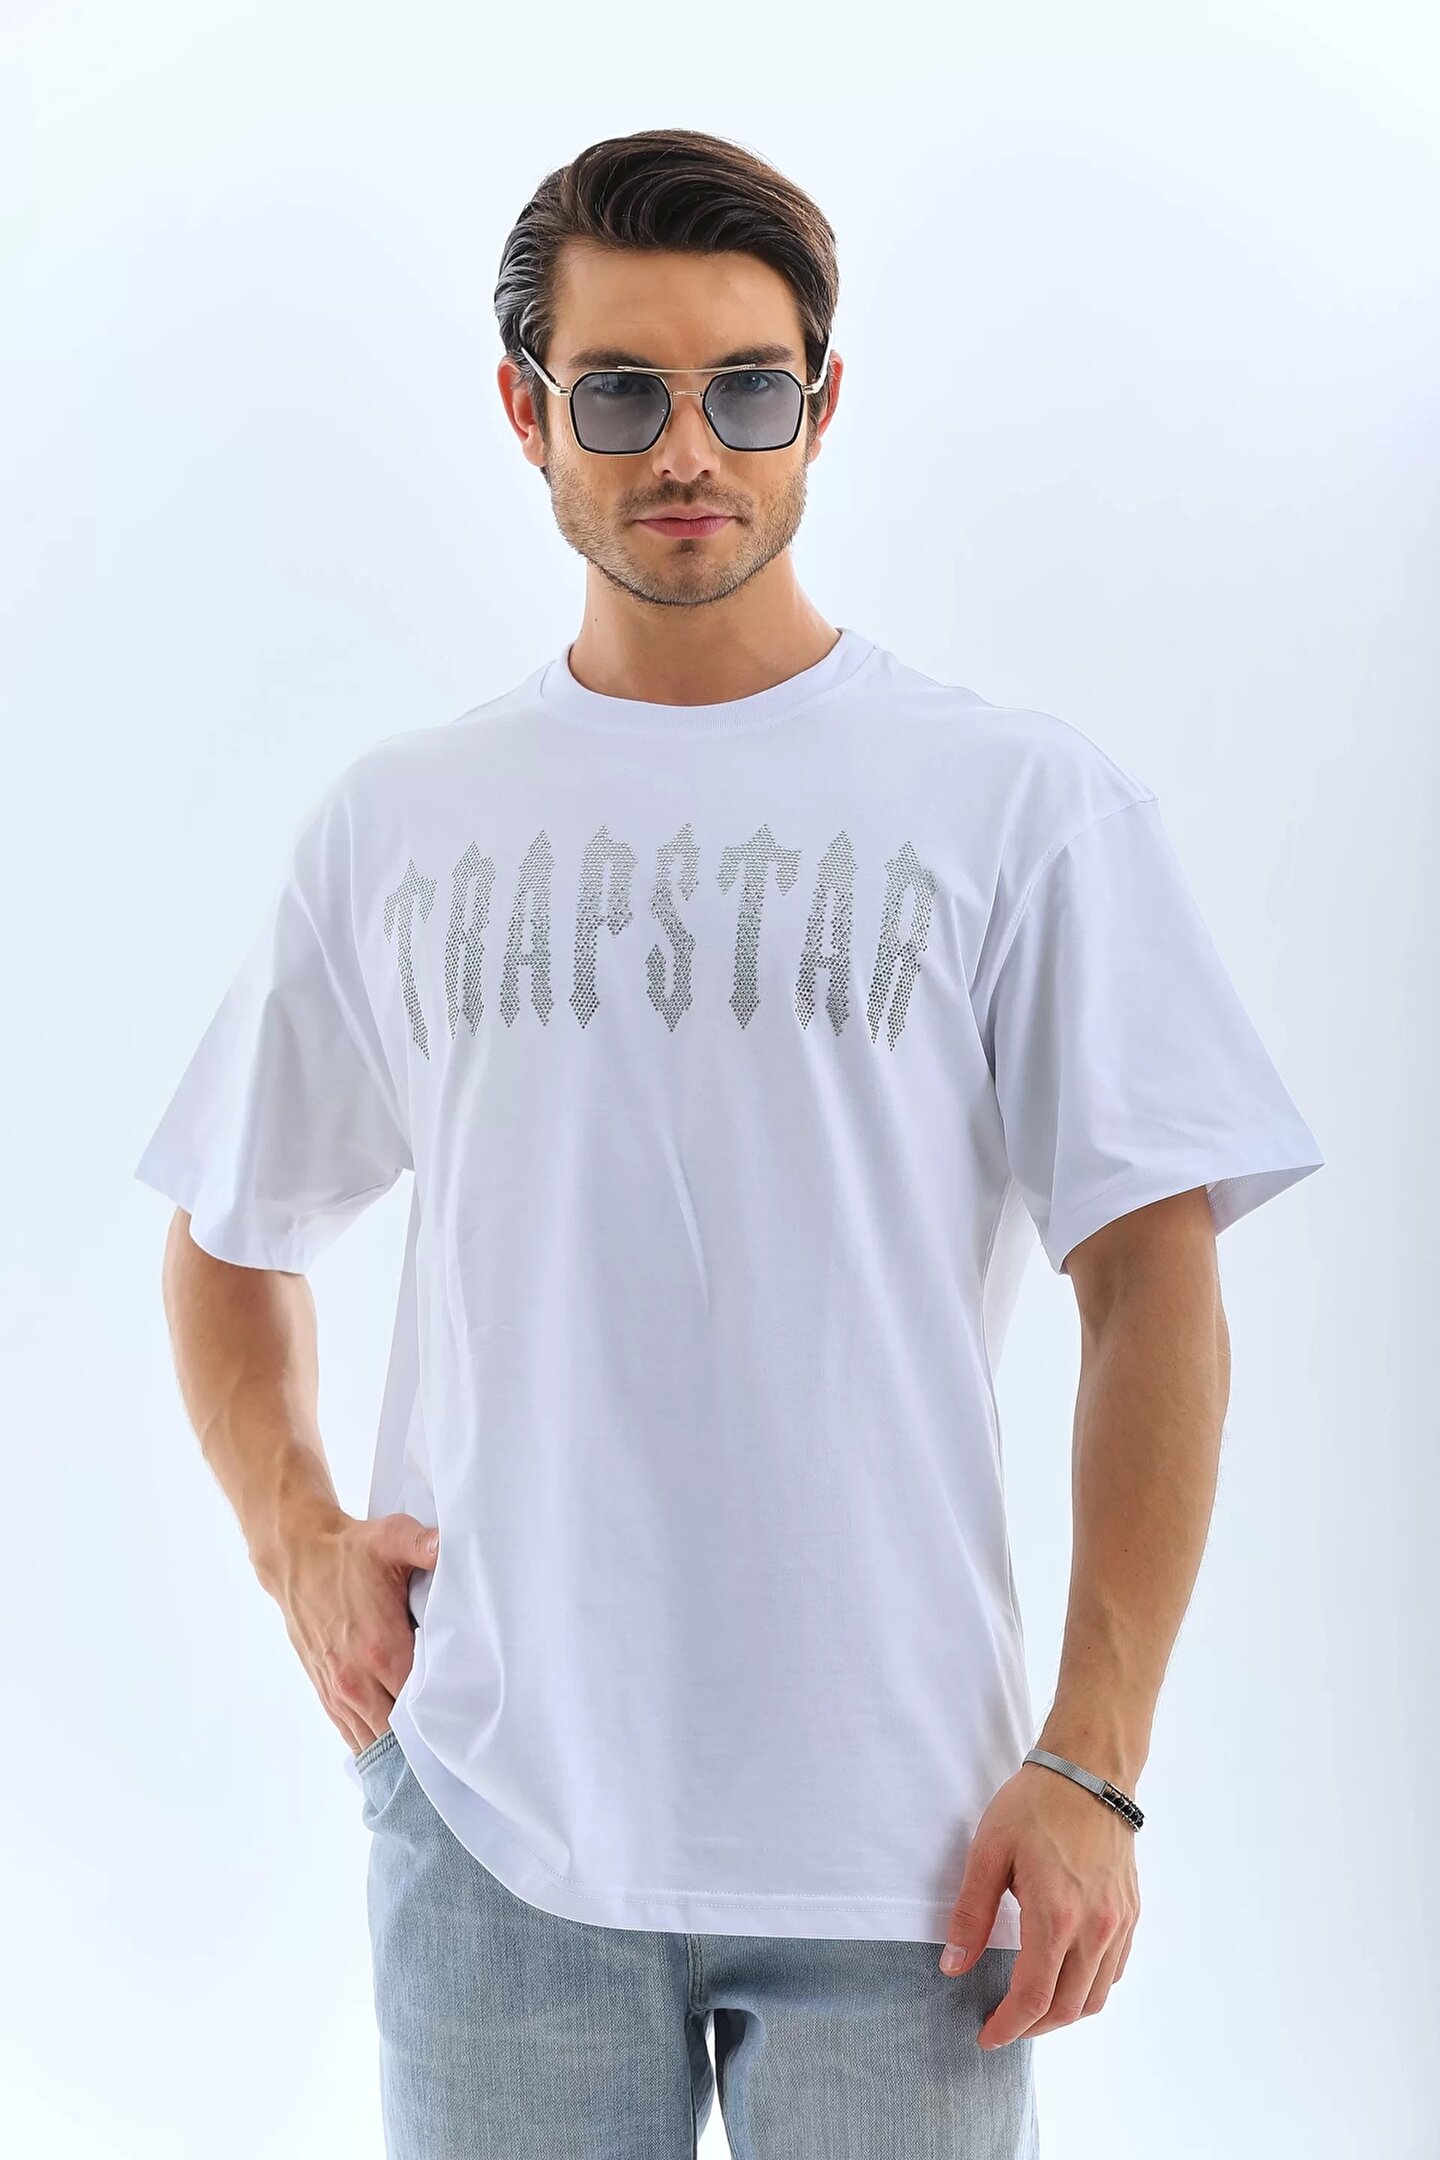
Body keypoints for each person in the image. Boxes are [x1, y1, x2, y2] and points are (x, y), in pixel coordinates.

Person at [133, 127, 1325, 2159]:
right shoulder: (403, 825)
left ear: (823, 406)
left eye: (747, 391)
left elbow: (1154, 1283)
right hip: (494, 1817)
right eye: (621, 393)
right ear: (526, 411)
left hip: (915, 1847)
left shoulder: (1017, 807)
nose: (689, 450)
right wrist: (296, 1543)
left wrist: (1096, 1758)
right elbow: (227, 1232)